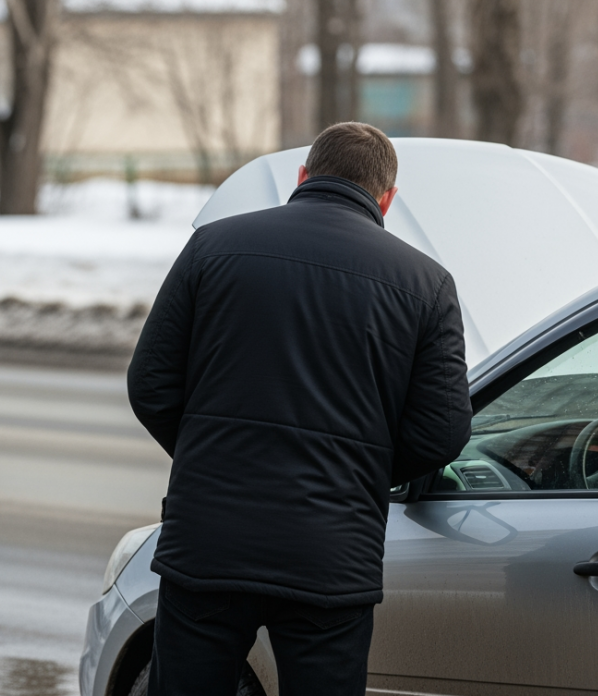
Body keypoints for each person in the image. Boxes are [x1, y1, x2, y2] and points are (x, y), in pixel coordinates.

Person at [127, 122, 472, 695]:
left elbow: (151, 384)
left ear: (303, 176)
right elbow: (442, 431)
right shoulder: (427, 284)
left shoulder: (212, 246)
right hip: (332, 554)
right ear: (386, 197)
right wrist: (357, 472)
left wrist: (209, 457)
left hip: (210, 540)